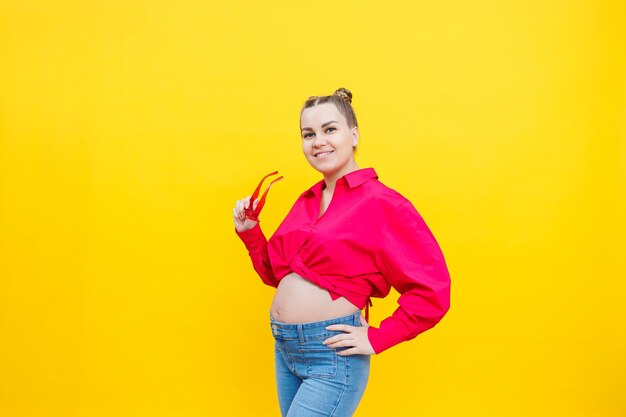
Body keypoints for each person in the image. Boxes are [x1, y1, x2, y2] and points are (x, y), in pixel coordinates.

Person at [232, 87, 451, 417]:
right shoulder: (307, 200)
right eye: (309, 134)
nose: (318, 141)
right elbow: (278, 275)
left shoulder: (382, 203)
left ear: (354, 133)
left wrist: (378, 338)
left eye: (329, 129)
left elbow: (433, 290)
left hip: (331, 354)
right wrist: (250, 233)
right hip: (286, 350)